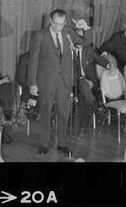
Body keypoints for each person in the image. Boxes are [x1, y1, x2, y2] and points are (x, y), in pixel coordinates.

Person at [28, 9, 93, 156]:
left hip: (65, 81)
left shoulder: (68, 31)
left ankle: (62, 143)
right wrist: (32, 83)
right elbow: (33, 61)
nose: (58, 27)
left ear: (65, 22)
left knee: (64, 112)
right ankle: (44, 143)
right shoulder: (40, 35)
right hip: (47, 81)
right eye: (55, 23)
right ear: (50, 20)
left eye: (61, 24)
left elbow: (86, 42)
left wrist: (86, 28)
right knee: (46, 112)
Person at [74, 29, 117, 139]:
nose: (79, 41)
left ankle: (83, 126)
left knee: (83, 87)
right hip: (73, 85)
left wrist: (110, 65)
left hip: (90, 83)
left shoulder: (88, 50)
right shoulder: (67, 51)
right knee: (82, 88)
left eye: (81, 38)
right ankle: (95, 108)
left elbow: (100, 60)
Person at [14, 51, 38, 125]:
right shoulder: (25, 58)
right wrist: (32, 85)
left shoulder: (50, 56)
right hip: (29, 89)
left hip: (46, 89)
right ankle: (33, 112)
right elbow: (20, 78)